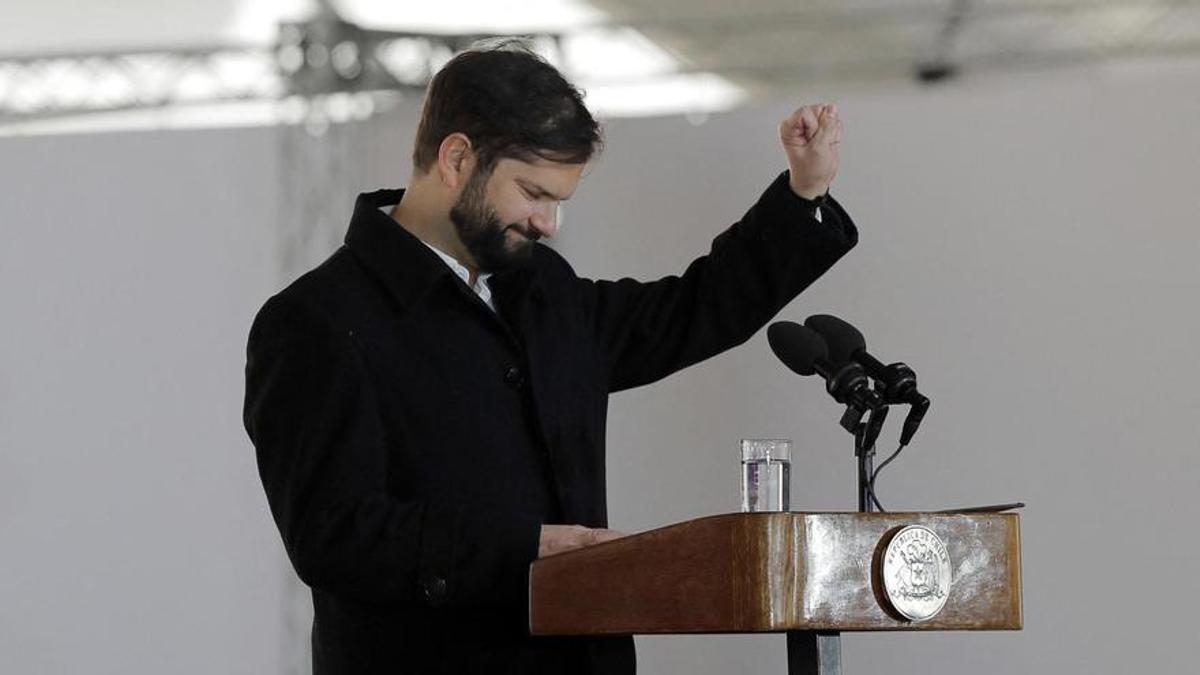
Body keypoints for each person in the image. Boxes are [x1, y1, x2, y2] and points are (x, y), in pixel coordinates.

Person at [243, 42, 856, 675]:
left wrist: (802, 195)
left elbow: (686, 314)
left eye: (559, 200)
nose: (549, 223)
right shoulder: (315, 321)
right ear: (456, 159)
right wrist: (529, 549)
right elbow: (334, 535)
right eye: (535, 193)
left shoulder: (543, 290)